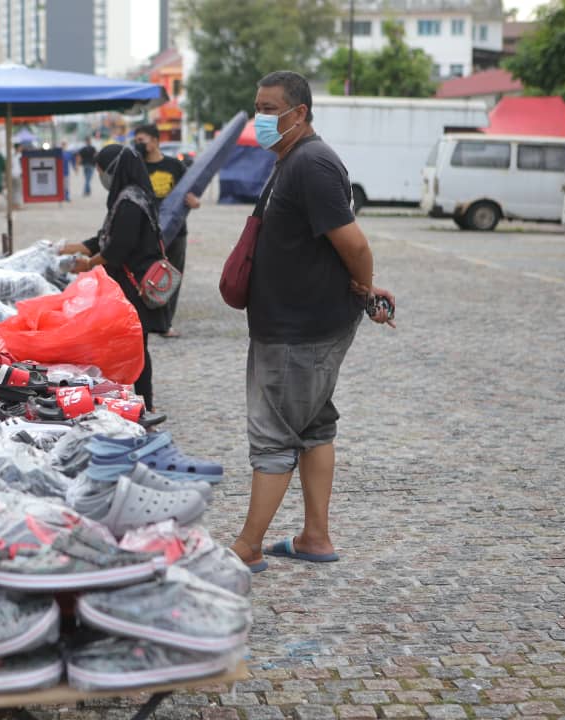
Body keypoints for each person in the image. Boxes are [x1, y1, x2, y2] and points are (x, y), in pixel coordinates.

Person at [228, 71, 396, 573]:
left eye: (268, 108)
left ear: (298, 113)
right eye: (256, 107)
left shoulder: (311, 163)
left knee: (275, 434)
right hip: (298, 324)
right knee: (315, 426)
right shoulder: (292, 160)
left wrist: (364, 289)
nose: (260, 117)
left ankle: (247, 547)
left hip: (297, 331)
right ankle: (314, 537)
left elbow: (355, 245)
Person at [59, 145, 166, 411]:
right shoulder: (129, 197)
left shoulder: (130, 203)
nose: (99, 175)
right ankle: (127, 398)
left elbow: (117, 248)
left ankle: (144, 403)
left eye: (100, 170)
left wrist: (88, 264)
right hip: (128, 282)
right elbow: (104, 238)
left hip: (134, 285)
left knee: (136, 346)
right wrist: (72, 247)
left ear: (113, 170)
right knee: (128, 343)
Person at [133, 123, 199, 339]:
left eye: (141, 140)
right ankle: (149, 320)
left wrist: (193, 201)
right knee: (149, 275)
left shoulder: (174, 166)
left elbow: (191, 191)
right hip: (148, 231)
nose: (139, 145)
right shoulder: (137, 167)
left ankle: (166, 323)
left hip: (176, 230)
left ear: (154, 141)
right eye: (136, 141)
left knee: (172, 275)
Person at [10, 142, 23, 210]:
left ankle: (15, 204)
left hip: (13, 174)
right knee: (17, 190)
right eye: (20, 147)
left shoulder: (12, 156)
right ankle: (16, 204)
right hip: (17, 175)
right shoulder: (21, 156)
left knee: (14, 190)